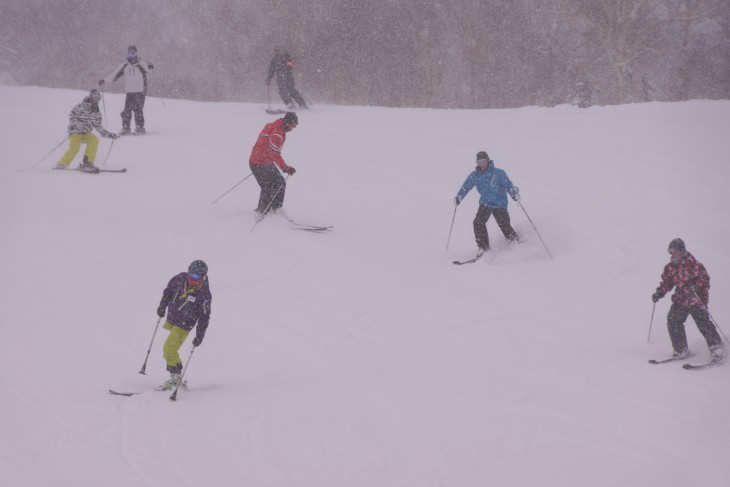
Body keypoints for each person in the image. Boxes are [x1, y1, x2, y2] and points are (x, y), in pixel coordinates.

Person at [652, 238, 724, 362]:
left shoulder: (694, 264)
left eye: (675, 251)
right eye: (671, 251)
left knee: (703, 323)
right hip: (680, 299)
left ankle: (717, 348)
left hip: (696, 299)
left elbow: (705, 280)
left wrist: (697, 287)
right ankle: (681, 349)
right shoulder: (670, 267)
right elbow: (667, 282)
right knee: (673, 320)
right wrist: (660, 292)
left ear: (682, 250)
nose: (673, 254)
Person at [156, 260, 212, 390]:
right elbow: (168, 291)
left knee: (169, 349)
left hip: (184, 324)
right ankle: (177, 375)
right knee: (170, 349)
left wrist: (200, 335)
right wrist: (162, 306)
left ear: (203, 277)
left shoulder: (204, 295)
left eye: (198, 277)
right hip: (173, 318)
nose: (194, 279)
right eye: (191, 275)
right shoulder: (180, 279)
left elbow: (204, 317)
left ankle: (175, 377)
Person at [454, 151, 521, 256]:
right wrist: (459, 196)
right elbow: (466, 186)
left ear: (488, 160)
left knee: (504, 225)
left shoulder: (498, 173)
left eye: (483, 161)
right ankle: (483, 248)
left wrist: (514, 194)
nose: (481, 164)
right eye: (479, 162)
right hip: (485, 203)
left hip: (499, 203)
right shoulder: (475, 175)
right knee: (478, 223)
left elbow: (509, 185)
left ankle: (517, 244)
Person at [54, 89, 119, 173]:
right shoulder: (82, 106)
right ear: (90, 96)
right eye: (95, 97)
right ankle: (61, 164)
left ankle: (88, 162)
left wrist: (109, 134)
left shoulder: (97, 113)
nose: (96, 99)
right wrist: (76, 124)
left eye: (98, 97)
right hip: (75, 131)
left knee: (94, 140)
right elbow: (72, 114)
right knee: (75, 148)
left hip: (85, 133)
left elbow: (98, 127)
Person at [248, 112, 299, 220]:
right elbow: (274, 153)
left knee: (280, 183)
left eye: (295, 126)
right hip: (258, 162)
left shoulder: (276, 125)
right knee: (267, 187)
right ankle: (261, 213)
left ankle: (275, 211)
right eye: (292, 125)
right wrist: (285, 167)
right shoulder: (277, 133)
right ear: (286, 123)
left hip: (265, 161)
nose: (292, 129)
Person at [99, 45, 154, 135]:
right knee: (127, 110)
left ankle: (140, 128)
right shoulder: (125, 66)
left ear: (136, 53)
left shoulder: (141, 64)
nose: (131, 55)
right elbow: (114, 75)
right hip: (129, 92)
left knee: (138, 110)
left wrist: (151, 66)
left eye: (133, 53)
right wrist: (104, 80)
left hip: (140, 91)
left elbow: (150, 71)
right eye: (129, 53)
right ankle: (126, 128)